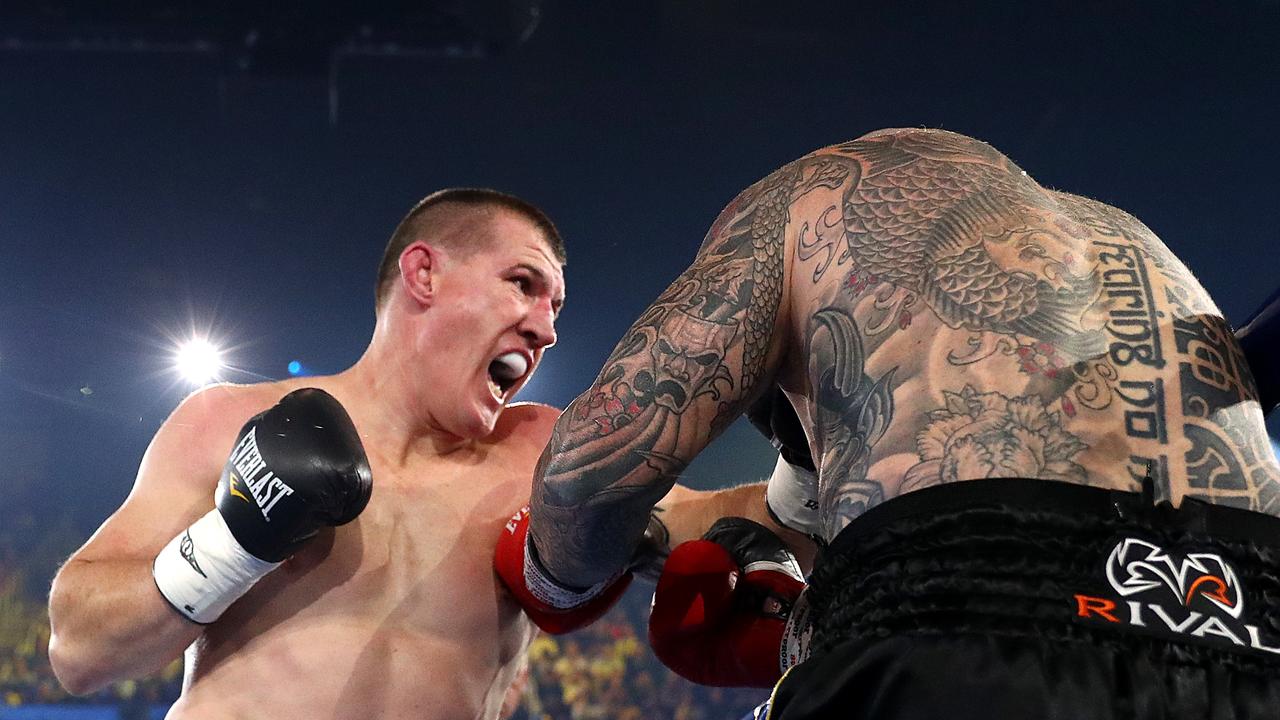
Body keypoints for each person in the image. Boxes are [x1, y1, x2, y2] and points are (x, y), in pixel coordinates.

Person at [507, 128, 1280, 718]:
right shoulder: (1131, 240)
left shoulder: (808, 199)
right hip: (1254, 620)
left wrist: (558, 581)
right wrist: (797, 626)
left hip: (966, 616)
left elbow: (595, 467)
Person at [48, 188, 570, 720]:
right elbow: (78, 652)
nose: (545, 329)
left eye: (555, 308)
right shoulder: (228, 420)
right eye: (522, 285)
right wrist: (231, 543)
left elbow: (663, 530)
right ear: (423, 274)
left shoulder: (540, 453)